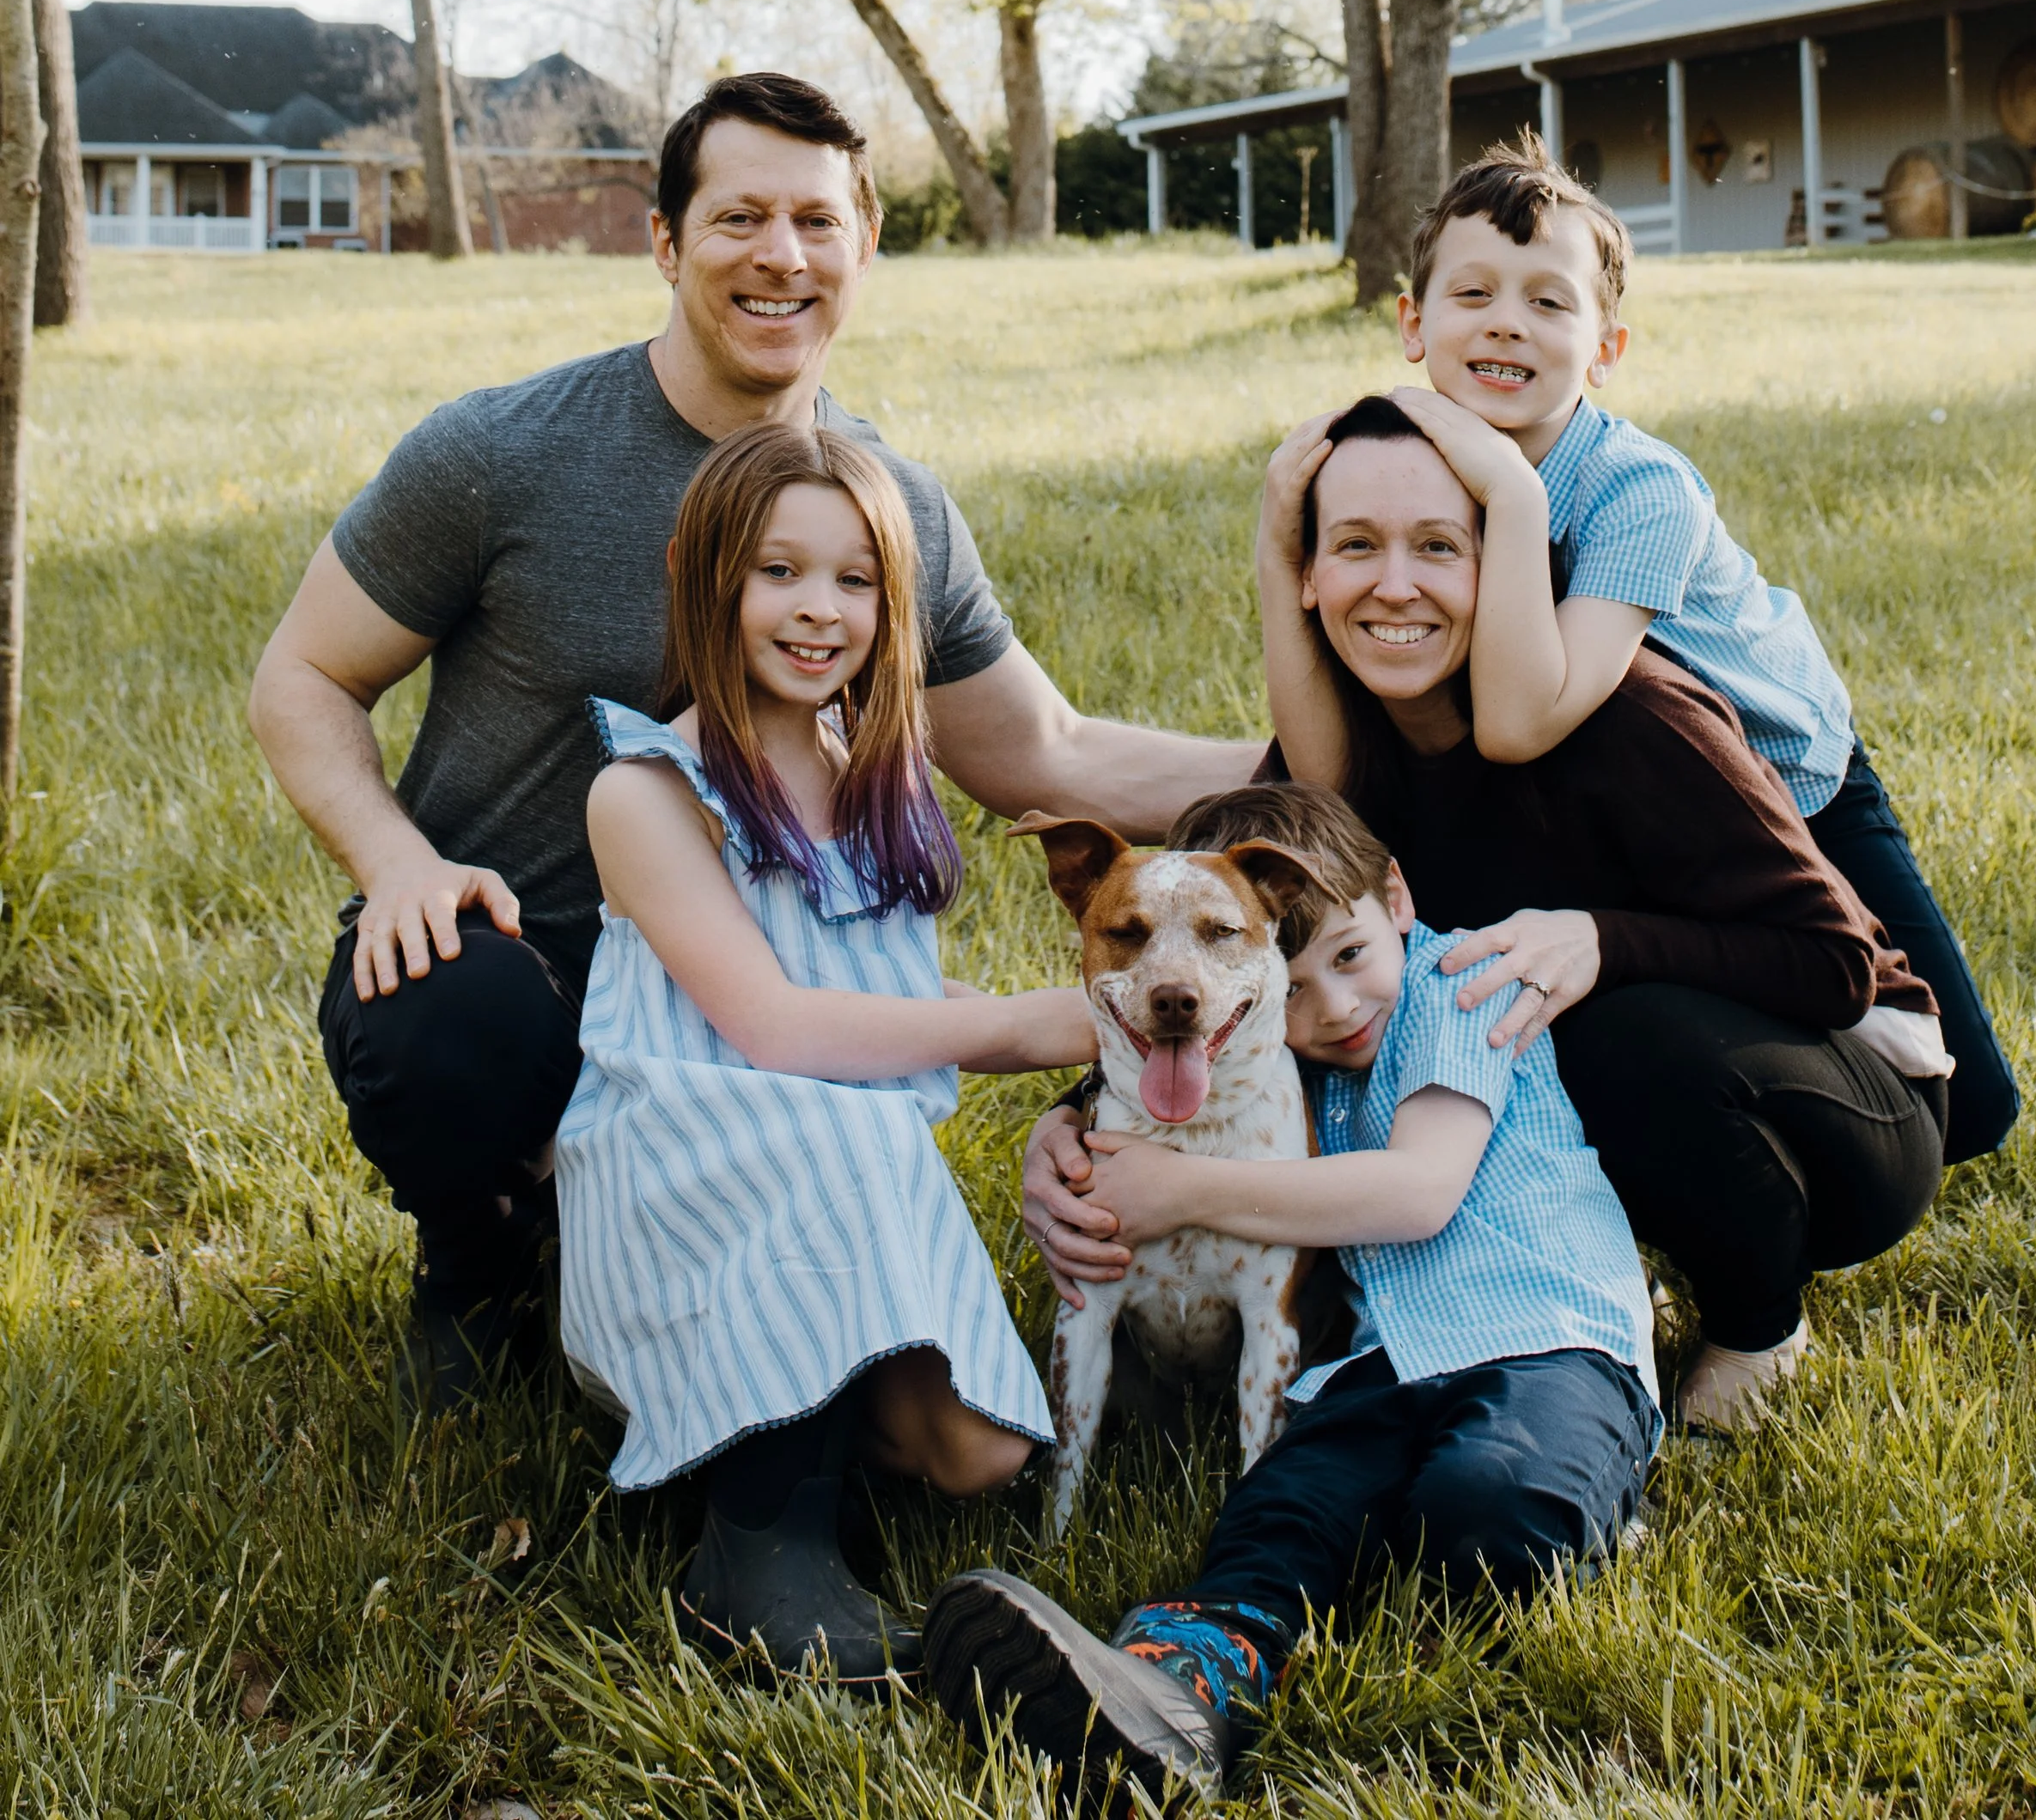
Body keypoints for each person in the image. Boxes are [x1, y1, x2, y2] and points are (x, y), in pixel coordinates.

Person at [248, 68, 1254, 1418]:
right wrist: (396, 862)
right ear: (665, 242)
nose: (782, 256)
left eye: (818, 221)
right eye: (738, 219)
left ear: (864, 247)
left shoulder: (888, 509)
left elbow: (1045, 750)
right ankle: (487, 1252)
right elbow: (303, 675)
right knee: (451, 1016)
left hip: (753, 1010)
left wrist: (1312, 760)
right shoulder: (501, 454)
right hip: (524, 968)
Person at [1029, 399, 1949, 1432]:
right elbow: (1226, 978)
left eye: (1437, 547)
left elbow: (1835, 963)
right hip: (1573, 1116)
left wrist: (1605, 939)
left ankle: (1755, 1320)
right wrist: (1070, 1128)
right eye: (1355, 546)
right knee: (1491, 1020)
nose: (1394, 584)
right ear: (1306, 577)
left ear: (1499, 566)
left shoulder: (1638, 716)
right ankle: (1594, 1252)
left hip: (1835, 1114)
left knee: (1603, 1026)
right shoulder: (1330, 766)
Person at [1258, 131, 2017, 1164]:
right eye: (1472, 295)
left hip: (1788, 782)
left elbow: (1523, 721)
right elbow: (1330, 779)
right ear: (1411, 323)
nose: (1505, 325)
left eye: (1548, 302)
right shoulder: (1403, 466)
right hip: (1623, 799)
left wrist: (1516, 494)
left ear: (1605, 351)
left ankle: (1819, 1024)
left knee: (1971, 1106)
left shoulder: (1637, 489)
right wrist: (1277, 545)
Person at [925, 777, 1660, 1811]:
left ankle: (1594, 1499)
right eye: (1297, 987)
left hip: (1544, 1344)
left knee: (1486, 1510)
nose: (1335, 1009)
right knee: (1274, 1515)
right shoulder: (1271, 1051)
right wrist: (1065, 1122)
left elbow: (1415, 1194)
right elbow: (1149, 1057)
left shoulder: (1458, 990)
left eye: (1351, 958)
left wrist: (1177, 1187)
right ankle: (1172, 1686)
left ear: (1397, 903)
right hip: (1371, 1370)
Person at [560, 420, 1094, 1678]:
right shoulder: (648, 788)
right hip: (679, 1178)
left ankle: (808, 1407)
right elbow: (770, 1024)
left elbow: (874, 986)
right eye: (780, 572)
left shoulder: (869, 776)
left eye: (855, 580)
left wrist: (1045, 1013)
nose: (820, 610)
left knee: (982, 1459)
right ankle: (754, 1557)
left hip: (842, 1182)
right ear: (710, 577)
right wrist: (1012, 1024)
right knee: (834, 1119)